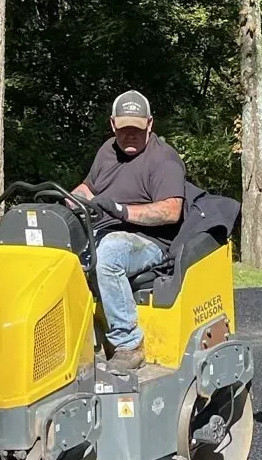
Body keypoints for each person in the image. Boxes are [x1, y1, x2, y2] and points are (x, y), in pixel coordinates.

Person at [75, 91, 185, 372]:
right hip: (103, 230)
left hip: (149, 240)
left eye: (137, 129)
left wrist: (122, 211)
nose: (130, 136)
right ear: (113, 125)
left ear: (150, 124)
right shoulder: (107, 151)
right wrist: (69, 200)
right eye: (124, 129)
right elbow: (89, 187)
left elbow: (171, 210)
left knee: (108, 254)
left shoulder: (164, 159)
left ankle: (128, 344)